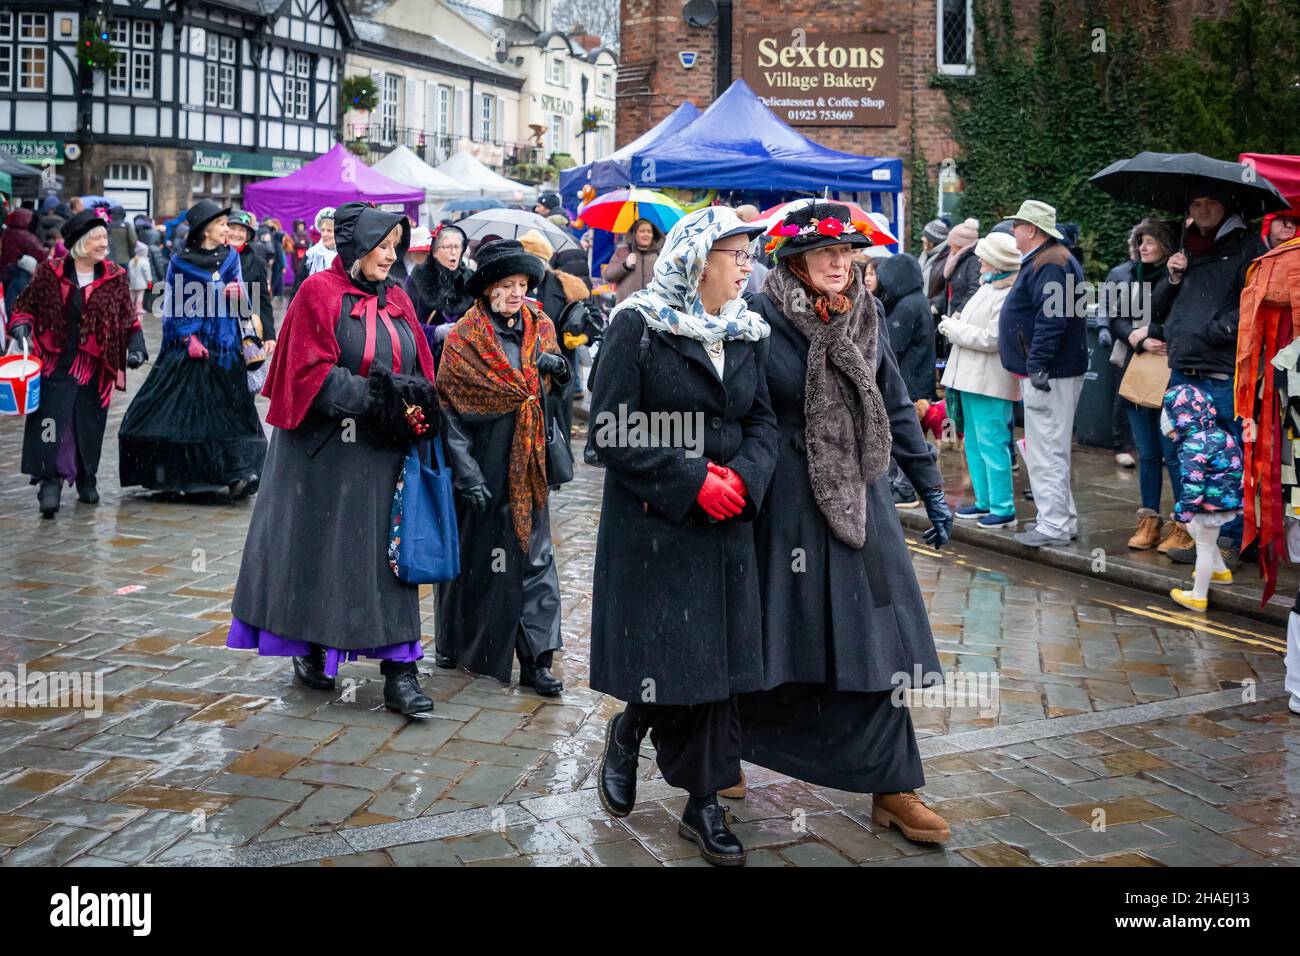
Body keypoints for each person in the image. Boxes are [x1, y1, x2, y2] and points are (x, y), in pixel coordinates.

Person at [738, 200, 952, 845]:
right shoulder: (756, 318)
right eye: (827, 252)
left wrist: (930, 486)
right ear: (794, 260)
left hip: (860, 495)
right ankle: (725, 752)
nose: (842, 262)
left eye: (849, 251)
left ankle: (893, 786)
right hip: (783, 499)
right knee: (780, 637)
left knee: (878, 640)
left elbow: (891, 398)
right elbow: (739, 414)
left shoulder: (867, 310)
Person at [589, 206, 776, 865]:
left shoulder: (749, 331)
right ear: (699, 259)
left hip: (725, 525)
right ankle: (629, 726)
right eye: (738, 253)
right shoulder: (637, 326)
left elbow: (763, 425)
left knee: (715, 668)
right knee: (671, 654)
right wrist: (689, 478)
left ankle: (702, 804)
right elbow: (608, 430)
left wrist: (745, 481)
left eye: (751, 254)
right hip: (655, 524)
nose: (748, 264)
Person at [229, 203, 441, 716]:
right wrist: (377, 397)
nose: (391, 255)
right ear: (354, 246)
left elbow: (420, 366)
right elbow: (306, 374)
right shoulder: (316, 294)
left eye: (395, 245)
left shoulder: (398, 297)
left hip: (384, 453)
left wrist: (416, 404)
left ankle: (400, 671)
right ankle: (310, 647)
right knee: (321, 558)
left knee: (389, 562)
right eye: (381, 246)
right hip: (322, 457)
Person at [434, 239, 571, 697]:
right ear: (487, 288)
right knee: (477, 563)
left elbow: (551, 394)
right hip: (482, 464)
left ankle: (538, 659)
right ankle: (462, 644)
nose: (517, 293)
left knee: (536, 558)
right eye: (507, 284)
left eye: (523, 284)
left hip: (528, 463)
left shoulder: (541, 326)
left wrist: (558, 371)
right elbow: (449, 411)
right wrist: (466, 471)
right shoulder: (464, 338)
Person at [118, 199, 268, 497]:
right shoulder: (180, 262)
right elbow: (172, 303)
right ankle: (181, 477)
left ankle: (239, 473)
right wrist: (189, 337)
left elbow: (242, 303)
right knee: (182, 415)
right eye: (223, 225)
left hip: (225, 347)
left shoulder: (230, 258)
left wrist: (238, 295)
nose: (228, 230)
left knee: (232, 412)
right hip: (188, 349)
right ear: (206, 230)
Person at [5, 209, 147, 517]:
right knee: (50, 424)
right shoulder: (49, 272)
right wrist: (21, 325)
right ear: (81, 242)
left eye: (104, 238)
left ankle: (87, 477)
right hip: (55, 364)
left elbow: (128, 319)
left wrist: (135, 346)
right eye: (97, 237)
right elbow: (24, 306)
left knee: (89, 426)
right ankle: (50, 482)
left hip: (95, 369)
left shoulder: (114, 277)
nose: (103, 243)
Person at [1156, 189, 1268, 566]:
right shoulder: (1186, 249)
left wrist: (1211, 330)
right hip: (1182, 370)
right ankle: (1197, 538)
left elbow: (1253, 306)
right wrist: (1172, 277)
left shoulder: (1249, 247)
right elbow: (1156, 308)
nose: (1202, 211)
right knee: (1185, 457)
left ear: (1228, 209)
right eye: (1195, 205)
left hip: (1220, 374)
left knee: (1225, 460)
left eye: (1211, 204)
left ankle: (1231, 541)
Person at [998, 200, 1088, 548]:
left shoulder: (1051, 262)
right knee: (1051, 448)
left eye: (1017, 225)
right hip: (1053, 369)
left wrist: (1037, 364)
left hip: (1049, 372)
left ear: (1032, 230)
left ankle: (1053, 525)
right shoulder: (1051, 259)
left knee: (1046, 449)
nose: (1013, 231)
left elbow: (1052, 320)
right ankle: (1062, 520)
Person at [1101, 218, 1184, 551]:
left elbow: (1174, 318)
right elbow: (1118, 320)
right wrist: (1138, 341)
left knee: (1173, 454)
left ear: (1166, 243)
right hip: (1136, 374)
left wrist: (1152, 334)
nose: (1143, 247)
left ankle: (1183, 525)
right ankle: (1149, 521)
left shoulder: (1180, 278)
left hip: (1169, 375)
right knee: (1148, 453)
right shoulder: (1130, 278)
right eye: (1141, 241)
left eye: (1150, 241)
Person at [938, 231, 1023, 530]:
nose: (979, 261)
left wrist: (952, 328)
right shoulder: (990, 287)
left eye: (984, 257)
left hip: (991, 381)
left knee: (992, 444)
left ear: (996, 263)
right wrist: (959, 322)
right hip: (971, 379)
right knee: (973, 443)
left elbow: (993, 338)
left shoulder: (1006, 294)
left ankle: (1003, 507)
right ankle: (986, 501)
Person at [1162, 384, 1243, 612]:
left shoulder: (1192, 445)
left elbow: (1193, 485)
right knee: (1198, 533)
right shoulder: (1222, 435)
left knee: (1203, 547)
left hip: (1209, 506)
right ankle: (1220, 571)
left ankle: (1198, 596)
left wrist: (1183, 511)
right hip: (1227, 501)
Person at [875, 252, 937, 508]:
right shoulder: (915, 300)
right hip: (914, 378)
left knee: (905, 436)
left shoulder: (908, 306)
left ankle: (905, 488)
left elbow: (890, 344)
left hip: (909, 381)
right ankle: (898, 484)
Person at [519, 229, 589, 444]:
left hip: (555, 369)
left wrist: (581, 335)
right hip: (522, 369)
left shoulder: (564, 284)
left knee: (555, 433)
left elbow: (590, 315)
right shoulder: (514, 284)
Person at [403, 223, 473, 360]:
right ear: (434, 252)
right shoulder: (418, 279)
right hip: (428, 358)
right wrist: (434, 332)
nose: (453, 252)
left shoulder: (470, 279)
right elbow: (405, 322)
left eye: (457, 247)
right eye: (447, 247)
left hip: (463, 358)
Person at [227, 210, 277, 349]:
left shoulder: (256, 262)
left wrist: (269, 335)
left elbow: (262, 300)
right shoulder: (214, 257)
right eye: (233, 228)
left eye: (242, 230)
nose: (236, 234)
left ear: (247, 235)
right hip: (216, 328)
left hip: (247, 329)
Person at [601, 217, 662, 302]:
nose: (646, 234)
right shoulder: (623, 252)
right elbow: (608, 276)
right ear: (634, 233)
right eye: (642, 231)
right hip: (627, 308)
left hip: (651, 308)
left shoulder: (659, 255)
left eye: (649, 232)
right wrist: (625, 265)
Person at [942, 217, 983, 319]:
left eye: (952, 241)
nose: (949, 244)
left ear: (960, 244)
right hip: (952, 311)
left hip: (961, 317)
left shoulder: (973, 261)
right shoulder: (957, 258)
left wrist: (959, 311)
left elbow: (974, 288)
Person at [919, 218, 951, 319]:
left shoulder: (948, 259)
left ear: (934, 241)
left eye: (926, 237)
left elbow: (948, 288)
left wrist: (936, 304)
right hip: (920, 308)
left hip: (934, 313)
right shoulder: (924, 255)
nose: (922, 239)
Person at [303, 207, 337, 278]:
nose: (324, 234)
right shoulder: (311, 255)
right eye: (323, 230)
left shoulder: (343, 256)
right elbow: (299, 283)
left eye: (329, 230)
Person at [127, 241, 152, 317]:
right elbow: (147, 273)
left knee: (132, 296)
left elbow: (128, 273)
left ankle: (130, 308)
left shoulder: (131, 261)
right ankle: (139, 308)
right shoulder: (144, 261)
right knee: (140, 296)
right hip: (141, 283)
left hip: (132, 283)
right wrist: (149, 281)